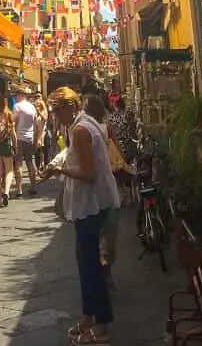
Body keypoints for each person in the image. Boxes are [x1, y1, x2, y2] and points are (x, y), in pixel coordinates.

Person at [44, 88, 119, 346]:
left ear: (69, 107)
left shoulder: (79, 130)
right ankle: (89, 317)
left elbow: (88, 172)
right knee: (85, 263)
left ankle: (102, 327)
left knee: (90, 268)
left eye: (56, 110)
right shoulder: (87, 124)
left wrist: (60, 170)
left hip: (90, 206)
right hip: (94, 204)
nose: (55, 116)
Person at [84, 95, 123, 286]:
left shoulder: (83, 129)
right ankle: (106, 272)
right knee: (108, 232)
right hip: (106, 183)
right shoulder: (105, 128)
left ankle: (98, 270)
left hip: (91, 188)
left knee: (95, 232)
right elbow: (116, 147)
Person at [13, 91, 39, 197]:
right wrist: (36, 138)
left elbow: (13, 121)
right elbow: (36, 124)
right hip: (30, 138)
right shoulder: (32, 107)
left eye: (16, 96)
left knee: (18, 163)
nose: (16, 98)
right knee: (29, 162)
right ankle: (33, 187)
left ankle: (19, 189)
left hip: (19, 137)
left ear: (20, 96)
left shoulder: (17, 106)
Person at [33, 93, 50, 171]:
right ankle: (38, 166)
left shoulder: (44, 110)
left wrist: (39, 111)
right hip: (36, 134)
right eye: (36, 97)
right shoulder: (34, 112)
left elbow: (45, 118)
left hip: (44, 133)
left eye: (39, 97)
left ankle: (45, 166)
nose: (37, 99)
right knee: (37, 152)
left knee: (44, 151)